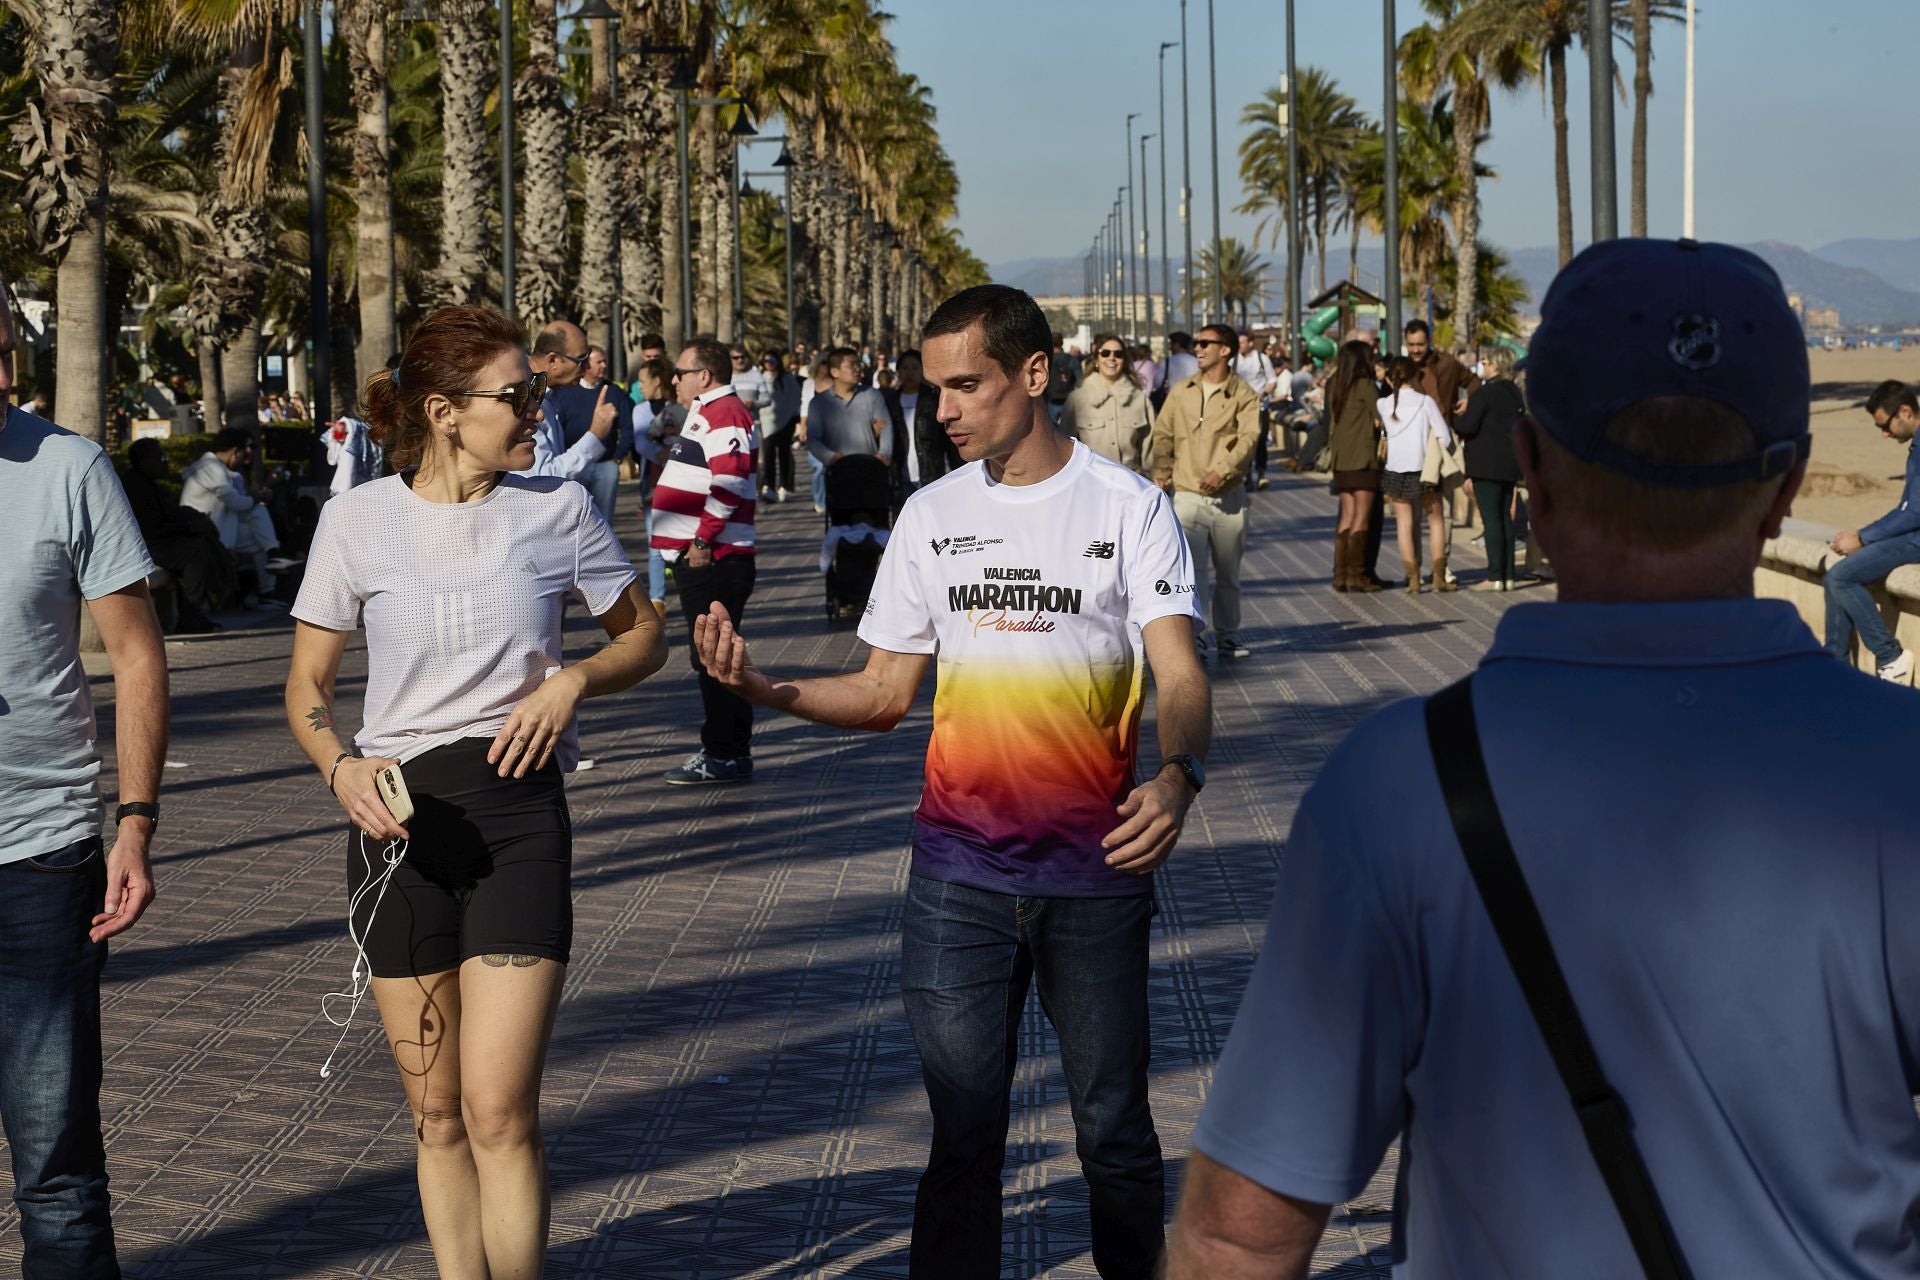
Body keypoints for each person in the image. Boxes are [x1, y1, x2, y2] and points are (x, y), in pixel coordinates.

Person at [1162, 238, 1920, 1280]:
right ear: (1785, 486)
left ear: (1532, 467)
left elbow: (1240, 1232)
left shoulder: (1400, 785)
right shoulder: (1897, 768)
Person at [692, 283, 1211, 1280]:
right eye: (934, 390)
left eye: (964, 385)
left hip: (1095, 876)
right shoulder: (930, 517)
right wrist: (764, 684)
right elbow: (886, 692)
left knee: (1112, 1129)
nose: (942, 411)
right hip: (957, 880)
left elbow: (1180, 671)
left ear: (1033, 374)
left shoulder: (1127, 507)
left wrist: (1181, 773)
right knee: (963, 1139)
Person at [284, 306, 667, 1280]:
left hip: (517, 821)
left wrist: (574, 678)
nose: (539, 407)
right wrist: (341, 766)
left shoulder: (557, 508)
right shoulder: (357, 519)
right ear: (447, 411)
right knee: (436, 1112)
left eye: (537, 393)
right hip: (397, 830)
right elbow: (307, 687)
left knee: (500, 1110)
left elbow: (643, 634)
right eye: (519, 395)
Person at [0, 273, 167, 1276]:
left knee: (56, 1165)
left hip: (44, 854)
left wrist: (135, 823)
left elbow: (137, 656)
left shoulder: (69, 468)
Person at [653, 337, 760, 785]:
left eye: (681, 372)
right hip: (699, 557)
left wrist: (700, 540)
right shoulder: (706, 410)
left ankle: (721, 754)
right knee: (714, 657)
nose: (673, 379)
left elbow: (730, 482)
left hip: (713, 559)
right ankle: (730, 751)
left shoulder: (725, 412)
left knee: (713, 659)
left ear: (705, 375)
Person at [1151, 322, 1262, 659]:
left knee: (1228, 574)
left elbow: (1249, 439)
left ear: (1225, 350)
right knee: (1191, 574)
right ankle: (1195, 637)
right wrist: (1161, 471)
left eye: (1205, 343)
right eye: (1197, 343)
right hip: (1187, 496)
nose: (1197, 348)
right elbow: (1163, 433)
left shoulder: (1243, 395)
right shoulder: (1182, 390)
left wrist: (1223, 471)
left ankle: (1228, 635)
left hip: (1229, 499)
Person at [1824, 379, 1920, 681]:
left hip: (1916, 539)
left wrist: (1863, 537)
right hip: (1912, 533)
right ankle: (1834, 670)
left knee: (1841, 578)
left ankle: (1891, 656)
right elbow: (1907, 509)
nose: (1884, 434)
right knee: (1836, 577)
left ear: (1905, 411)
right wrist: (1862, 537)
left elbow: (1914, 513)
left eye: (1886, 425)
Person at [121, 437, 235, 631]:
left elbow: (170, 515)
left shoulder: (150, 485)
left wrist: (194, 522)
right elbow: (151, 528)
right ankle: (192, 615)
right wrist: (189, 528)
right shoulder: (136, 487)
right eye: (162, 458)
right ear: (146, 462)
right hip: (142, 546)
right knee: (195, 552)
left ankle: (200, 609)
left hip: (156, 542)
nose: (166, 463)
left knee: (202, 544)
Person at [534, 320, 633, 523]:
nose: (585, 367)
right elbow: (544, 477)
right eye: (581, 359)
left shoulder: (550, 396)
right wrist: (595, 434)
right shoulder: (528, 398)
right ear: (553, 360)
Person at [180, 426, 286, 606]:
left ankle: (268, 589)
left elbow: (240, 505)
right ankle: (273, 559)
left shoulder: (216, 468)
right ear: (235, 451)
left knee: (260, 542)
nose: (250, 453)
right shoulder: (212, 467)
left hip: (219, 530)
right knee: (259, 513)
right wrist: (257, 497)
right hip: (209, 535)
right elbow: (236, 502)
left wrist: (256, 497)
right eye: (249, 448)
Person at [1378, 355, 1456, 593]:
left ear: (1390, 378)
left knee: (1404, 523)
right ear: (1413, 376)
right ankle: (1439, 578)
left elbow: (1384, 434)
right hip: (1425, 470)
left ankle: (1413, 579)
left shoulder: (1383, 404)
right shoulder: (1425, 402)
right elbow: (1445, 436)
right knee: (1435, 521)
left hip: (1395, 470)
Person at [1455, 346, 1526, 591]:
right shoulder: (1515, 393)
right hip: (1510, 462)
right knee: (1505, 517)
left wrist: (1457, 417)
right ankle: (1507, 576)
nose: (1482, 366)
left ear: (1495, 366)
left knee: (1491, 519)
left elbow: (1468, 427)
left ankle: (1495, 575)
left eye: (1485, 363)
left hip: (1486, 464)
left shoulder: (1485, 393)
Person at [1322, 340, 1382, 593]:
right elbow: (1381, 417)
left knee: (1346, 516)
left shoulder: (1334, 384)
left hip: (1341, 460)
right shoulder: (1365, 385)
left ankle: (1341, 575)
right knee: (1362, 518)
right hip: (1364, 459)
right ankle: (1357, 575)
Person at [631, 355, 687, 619]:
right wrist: (661, 454)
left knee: (682, 539)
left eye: (643, 380)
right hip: (653, 481)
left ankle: (688, 592)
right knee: (656, 543)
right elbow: (641, 443)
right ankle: (657, 600)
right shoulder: (640, 410)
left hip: (683, 482)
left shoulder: (679, 407)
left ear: (656, 380)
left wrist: (673, 454)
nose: (639, 386)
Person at [1061, 332, 1155, 473]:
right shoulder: (1077, 399)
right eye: (1105, 353)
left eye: (1118, 354)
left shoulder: (1139, 399)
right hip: (1091, 483)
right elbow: (1065, 446)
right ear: (1097, 359)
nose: (1112, 358)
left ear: (1124, 360)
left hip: (1131, 483)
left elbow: (1150, 445)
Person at [882, 348, 959, 503]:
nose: (909, 372)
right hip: (901, 474)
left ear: (923, 371)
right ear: (897, 371)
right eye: (904, 368)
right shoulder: (889, 402)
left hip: (930, 473)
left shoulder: (933, 399)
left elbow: (946, 439)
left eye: (915, 368)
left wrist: (957, 470)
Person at [805, 346, 893, 476]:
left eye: (858, 363)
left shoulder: (872, 395)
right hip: (837, 471)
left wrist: (884, 454)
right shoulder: (819, 403)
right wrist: (831, 457)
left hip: (871, 468)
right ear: (835, 372)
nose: (857, 368)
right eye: (851, 365)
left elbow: (886, 426)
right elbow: (813, 439)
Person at [1231, 332, 1276, 490]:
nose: (1240, 345)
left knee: (1261, 440)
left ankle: (1261, 472)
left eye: (1242, 342)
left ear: (1250, 343)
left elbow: (1272, 380)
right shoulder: (1234, 361)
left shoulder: (1262, 359)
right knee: (1243, 440)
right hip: (1241, 409)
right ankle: (1246, 473)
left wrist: (1263, 393)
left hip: (1260, 406)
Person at [728, 344, 772, 501]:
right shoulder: (725, 376)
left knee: (760, 462)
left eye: (743, 357)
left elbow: (767, 399)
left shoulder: (756, 375)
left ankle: (756, 492)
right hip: (732, 427)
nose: (740, 360)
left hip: (754, 423)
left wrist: (753, 404)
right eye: (735, 358)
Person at [759, 352, 802, 504]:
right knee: (768, 456)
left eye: (772, 360)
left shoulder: (787, 379)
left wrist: (795, 417)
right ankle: (768, 486)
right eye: (766, 360)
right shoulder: (759, 378)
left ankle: (785, 486)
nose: (769, 363)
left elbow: (796, 397)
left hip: (786, 422)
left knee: (785, 454)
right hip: (765, 422)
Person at [1046, 331, 1081, 424]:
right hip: (1069, 401)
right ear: (1062, 343)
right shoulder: (1071, 359)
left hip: (1051, 400)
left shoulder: (1046, 361)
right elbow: (1080, 380)